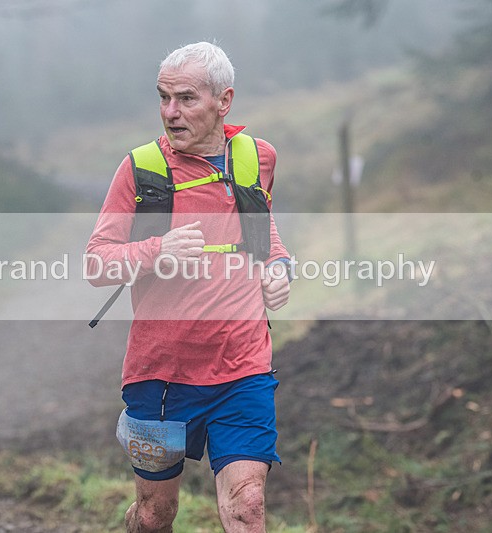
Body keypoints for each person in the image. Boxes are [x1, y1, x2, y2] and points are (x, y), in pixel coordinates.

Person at [85, 41, 291, 532]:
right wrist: (158, 250)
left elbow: (264, 238)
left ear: (224, 101)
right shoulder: (141, 169)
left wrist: (280, 269)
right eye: (163, 98)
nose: (170, 113)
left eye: (186, 99)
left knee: (247, 507)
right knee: (156, 514)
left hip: (243, 367)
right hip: (161, 375)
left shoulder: (256, 158)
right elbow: (97, 263)